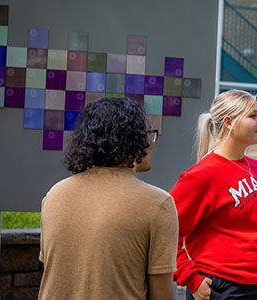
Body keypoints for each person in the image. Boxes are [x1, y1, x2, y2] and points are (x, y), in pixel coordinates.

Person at [39, 97, 178, 300]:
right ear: (133, 141)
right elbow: (162, 295)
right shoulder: (158, 205)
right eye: (147, 135)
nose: (150, 142)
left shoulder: (54, 195)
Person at [171, 89, 257, 300]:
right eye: (253, 116)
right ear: (229, 121)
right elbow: (166, 230)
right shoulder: (201, 176)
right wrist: (190, 277)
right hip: (223, 288)